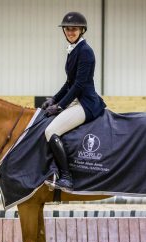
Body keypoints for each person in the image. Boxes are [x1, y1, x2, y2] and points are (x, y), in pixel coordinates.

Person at [42, 11, 106, 191]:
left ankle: (66, 177)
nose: (70, 32)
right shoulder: (73, 50)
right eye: (68, 29)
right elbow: (68, 83)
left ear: (82, 30)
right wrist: (53, 99)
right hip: (77, 100)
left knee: (51, 130)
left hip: (86, 103)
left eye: (74, 29)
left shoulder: (85, 51)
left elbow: (78, 85)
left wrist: (60, 106)